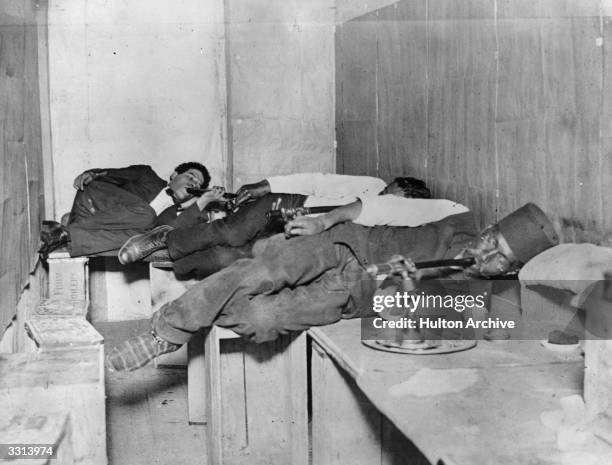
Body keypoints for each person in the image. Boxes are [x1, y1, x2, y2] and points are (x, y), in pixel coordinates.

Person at [106, 200, 557, 372]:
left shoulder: (478, 298)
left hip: (347, 298)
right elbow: (375, 203)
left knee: (261, 318)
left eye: (501, 259)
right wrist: (331, 217)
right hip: (343, 247)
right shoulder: (454, 219)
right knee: (260, 272)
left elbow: (414, 331)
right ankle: (166, 332)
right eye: (491, 241)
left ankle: (189, 311)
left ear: (508, 272)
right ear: (489, 227)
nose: (487, 255)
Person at [117, 173, 432, 277]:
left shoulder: (386, 224)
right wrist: (265, 186)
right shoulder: (370, 185)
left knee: (233, 257)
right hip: (290, 205)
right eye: (388, 195)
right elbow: (317, 179)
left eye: (392, 203)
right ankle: (167, 238)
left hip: (299, 231)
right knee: (234, 231)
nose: (383, 202)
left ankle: (171, 255)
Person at [39, 162, 218, 258]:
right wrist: (92, 173)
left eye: (197, 185)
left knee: (142, 239)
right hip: (93, 200)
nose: (193, 184)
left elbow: (169, 235)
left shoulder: (172, 214)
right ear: (174, 176)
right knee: (147, 216)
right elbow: (109, 175)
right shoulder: (148, 176)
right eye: (191, 177)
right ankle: (69, 230)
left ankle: (64, 234)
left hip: (89, 225)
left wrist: (201, 203)